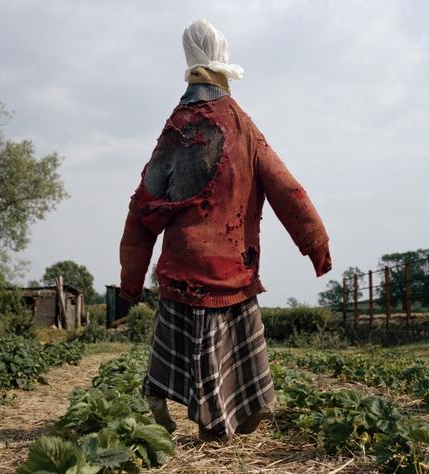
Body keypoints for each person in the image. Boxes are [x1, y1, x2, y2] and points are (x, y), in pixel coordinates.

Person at [119, 18, 332, 442]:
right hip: (232, 271)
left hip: (182, 270)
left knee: (172, 344)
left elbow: (144, 205)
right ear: (223, 57)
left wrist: (131, 280)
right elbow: (286, 188)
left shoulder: (177, 126)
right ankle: (234, 412)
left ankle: (162, 399)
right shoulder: (242, 126)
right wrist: (317, 244)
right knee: (239, 345)